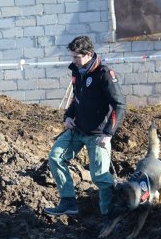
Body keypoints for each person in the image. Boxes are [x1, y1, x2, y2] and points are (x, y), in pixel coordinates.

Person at [45, 36, 126, 227]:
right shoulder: (78, 71)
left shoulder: (104, 74)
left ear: (88, 54)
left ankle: (108, 216)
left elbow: (119, 105)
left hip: (98, 135)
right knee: (55, 157)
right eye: (72, 57)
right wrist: (68, 116)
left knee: (99, 176)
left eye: (76, 57)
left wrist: (108, 133)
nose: (73, 61)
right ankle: (68, 202)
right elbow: (77, 98)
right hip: (77, 129)